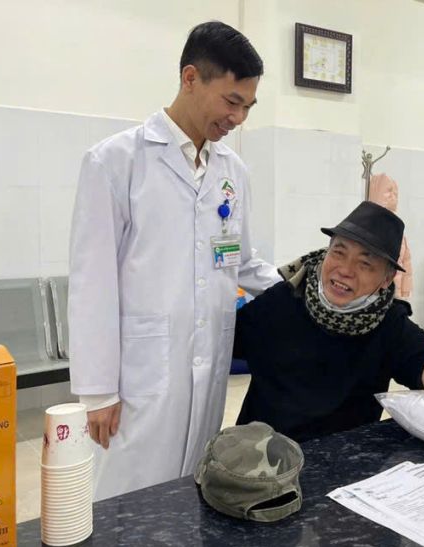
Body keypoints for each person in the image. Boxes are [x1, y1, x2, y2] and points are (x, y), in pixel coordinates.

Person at [68, 21, 281, 500]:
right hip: (139, 374)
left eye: (247, 106)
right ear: (190, 78)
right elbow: (91, 281)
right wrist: (98, 392)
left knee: (190, 489)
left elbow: (242, 261)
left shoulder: (232, 171)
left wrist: (301, 281)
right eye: (231, 101)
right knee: (124, 496)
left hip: (207, 372)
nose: (239, 118)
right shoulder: (116, 162)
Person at [233, 201, 424, 442]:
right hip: (259, 459)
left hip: (340, 463)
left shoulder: (389, 323)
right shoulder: (283, 301)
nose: (345, 270)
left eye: (365, 263)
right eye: (339, 253)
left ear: (387, 279)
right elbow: (220, 346)